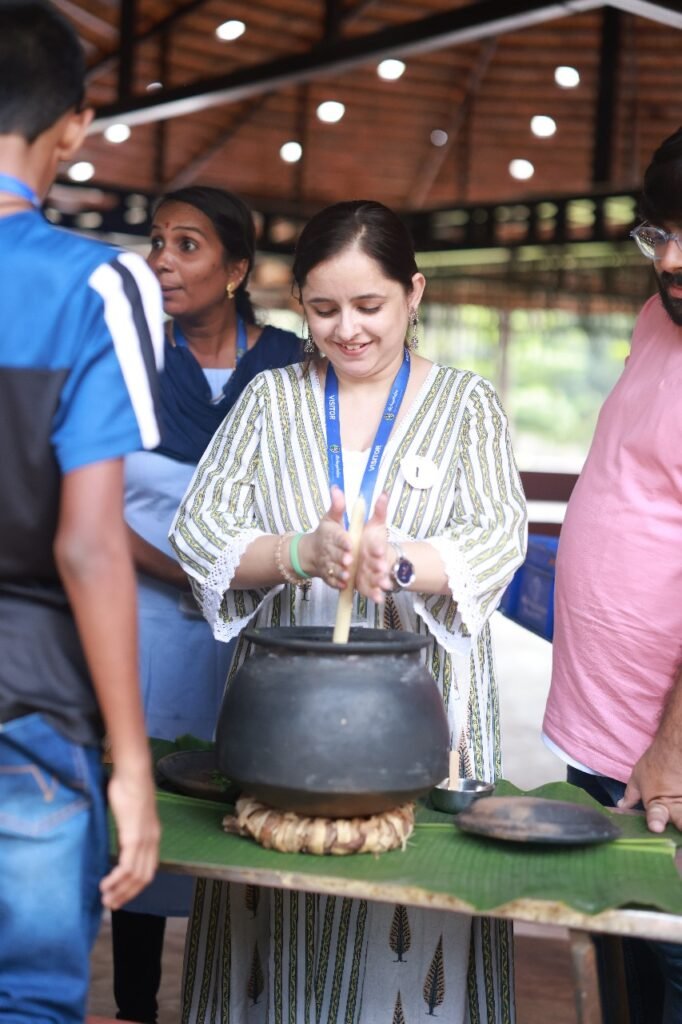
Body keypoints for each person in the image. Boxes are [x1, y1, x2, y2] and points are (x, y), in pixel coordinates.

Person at [169, 199, 527, 1023]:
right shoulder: (270, 401)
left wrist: (396, 562)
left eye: (371, 306)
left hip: (426, 717)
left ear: (414, 293)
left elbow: (495, 538)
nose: (348, 330)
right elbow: (202, 530)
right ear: (299, 303)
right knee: (279, 933)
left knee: (413, 927)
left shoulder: (469, 405)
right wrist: (302, 553)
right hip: (287, 717)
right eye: (324, 309)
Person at [0, 3, 163, 1022]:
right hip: (32, 708)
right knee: (28, 999)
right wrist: (132, 763)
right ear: (73, 127)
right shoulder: (94, 281)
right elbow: (90, 544)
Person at [112, 185, 303, 1024]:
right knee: (148, 810)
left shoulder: (292, 366)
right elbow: (80, 507)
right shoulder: (127, 360)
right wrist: (186, 578)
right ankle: (133, 1005)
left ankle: (244, 1002)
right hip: (150, 620)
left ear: (234, 269)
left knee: (256, 805)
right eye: (157, 241)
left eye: (186, 245)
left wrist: (251, 575)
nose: (162, 259)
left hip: (264, 631)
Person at [543, 126, 682, 1024]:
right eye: (660, 232)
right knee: (621, 966)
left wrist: (673, 744)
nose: (671, 259)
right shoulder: (658, 312)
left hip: (667, 760)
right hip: (603, 732)